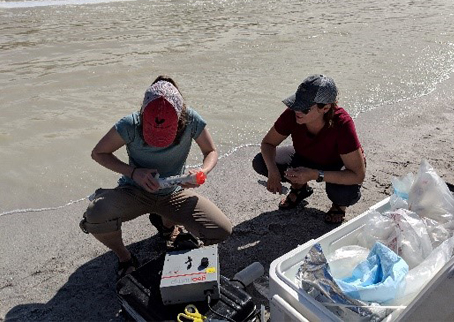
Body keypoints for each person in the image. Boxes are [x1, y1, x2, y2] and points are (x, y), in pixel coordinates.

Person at [79, 75, 232, 278]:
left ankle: (167, 226)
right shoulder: (130, 124)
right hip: (134, 191)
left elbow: (211, 151)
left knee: (221, 230)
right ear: (143, 114)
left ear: (180, 117)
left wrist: (202, 172)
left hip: (173, 192)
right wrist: (134, 172)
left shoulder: (191, 120)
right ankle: (125, 258)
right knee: (96, 213)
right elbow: (98, 153)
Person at [252, 74, 366, 223]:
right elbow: (267, 144)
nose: (297, 111)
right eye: (295, 103)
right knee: (261, 162)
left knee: (344, 193)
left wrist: (314, 174)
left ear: (325, 108)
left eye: (304, 108)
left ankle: (339, 205)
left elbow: (358, 175)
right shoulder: (293, 114)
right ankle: (300, 189)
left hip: (338, 164)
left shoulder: (342, 124)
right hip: (305, 155)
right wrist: (273, 171)